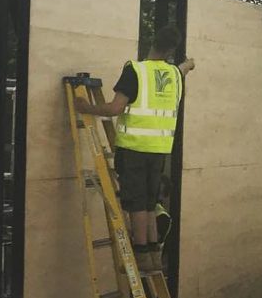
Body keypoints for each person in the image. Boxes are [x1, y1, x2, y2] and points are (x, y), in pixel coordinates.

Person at [75, 26, 195, 274]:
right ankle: (153, 254)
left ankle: (140, 254)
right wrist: (188, 64)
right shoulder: (174, 74)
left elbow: (115, 109)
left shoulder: (136, 71)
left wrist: (87, 108)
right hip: (160, 149)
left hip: (134, 149)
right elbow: (182, 69)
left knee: (137, 203)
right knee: (150, 203)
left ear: (152, 43)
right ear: (171, 50)